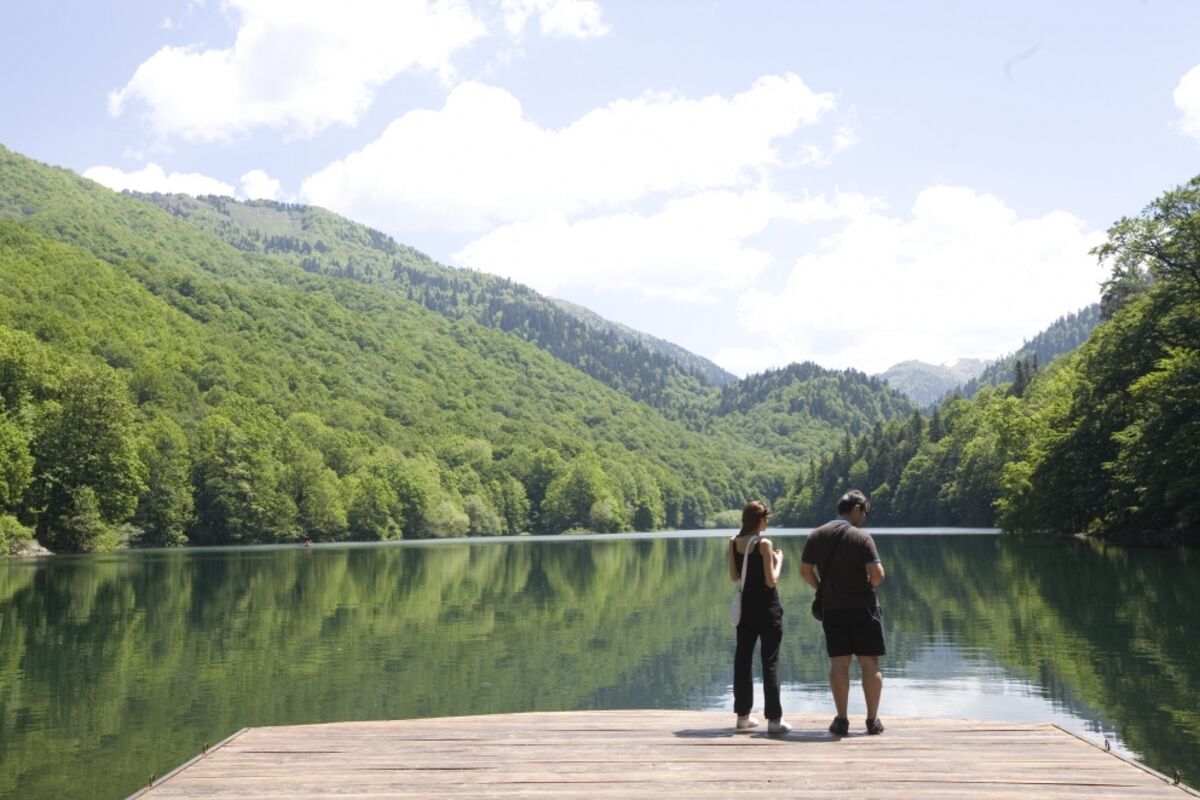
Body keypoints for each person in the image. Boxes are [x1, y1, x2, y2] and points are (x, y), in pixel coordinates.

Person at [800, 489, 886, 736]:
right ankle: (872, 721)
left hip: (833, 609)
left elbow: (805, 570)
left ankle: (842, 720)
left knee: (839, 663)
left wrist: (822, 588)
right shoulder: (862, 537)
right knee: (869, 663)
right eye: (865, 512)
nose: (865, 517)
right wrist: (867, 586)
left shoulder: (816, 535)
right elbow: (878, 575)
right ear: (857, 508)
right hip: (864, 609)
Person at [729, 500, 791, 735]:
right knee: (770, 661)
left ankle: (743, 717)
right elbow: (771, 581)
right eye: (766, 519)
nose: (767, 523)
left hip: (746, 610)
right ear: (759, 520)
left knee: (743, 660)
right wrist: (779, 561)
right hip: (767, 609)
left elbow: (734, 576)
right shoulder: (764, 544)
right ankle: (774, 720)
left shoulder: (733, 542)